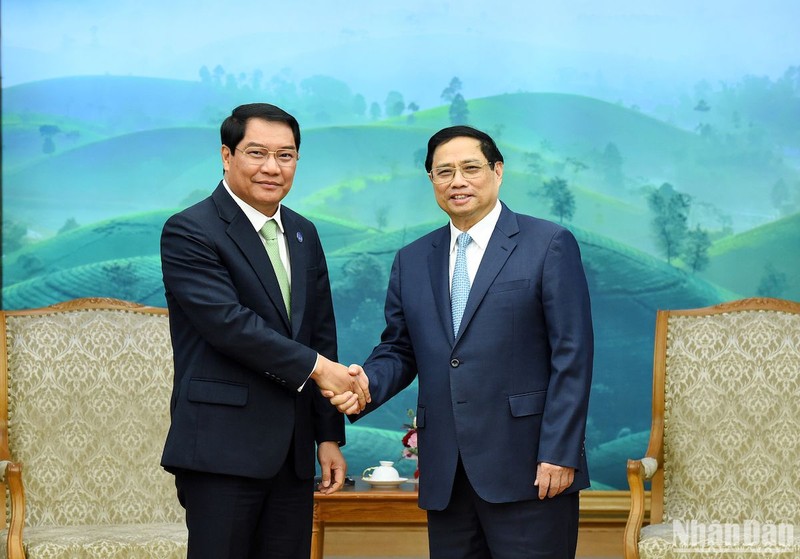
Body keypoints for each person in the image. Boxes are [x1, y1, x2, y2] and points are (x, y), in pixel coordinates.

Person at [332, 126, 593, 558]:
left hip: (532, 469)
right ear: (431, 180)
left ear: (498, 171)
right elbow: (400, 348)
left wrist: (560, 453)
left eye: (471, 168)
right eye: (443, 172)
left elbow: (573, 354)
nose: (458, 181)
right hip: (447, 476)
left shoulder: (547, 244)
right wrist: (366, 385)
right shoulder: (412, 259)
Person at [160, 103, 368, 559]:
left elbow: (320, 334)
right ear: (226, 155)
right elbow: (229, 325)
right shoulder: (190, 230)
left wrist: (328, 436)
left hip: (291, 455)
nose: (272, 168)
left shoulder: (303, 233)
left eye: (286, 155)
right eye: (257, 153)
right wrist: (319, 370)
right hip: (222, 450)